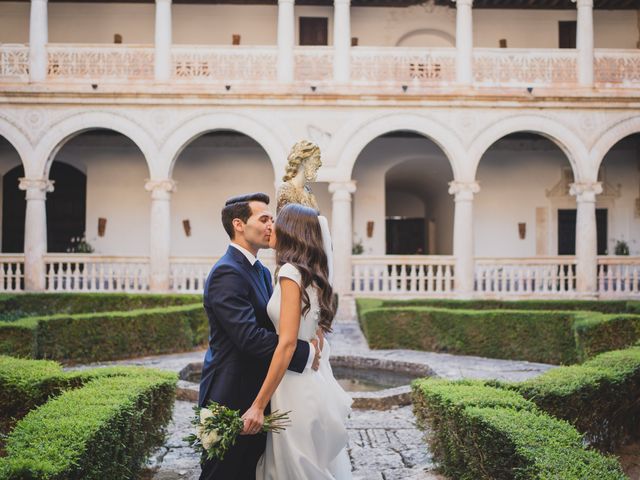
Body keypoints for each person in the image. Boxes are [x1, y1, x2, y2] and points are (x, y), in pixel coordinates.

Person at [198, 193, 321, 480]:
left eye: (272, 219)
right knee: (222, 472)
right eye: (263, 219)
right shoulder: (226, 272)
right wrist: (304, 352)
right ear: (238, 224)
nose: (271, 226)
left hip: (261, 392)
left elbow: (275, 326)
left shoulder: (263, 273)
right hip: (229, 394)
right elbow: (250, 337)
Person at [245, 203, 353, 479]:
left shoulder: (290, 274)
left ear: (290, 230)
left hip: (292, 387)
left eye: (277, 222)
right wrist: (314, 347)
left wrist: (258, 404)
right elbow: (315, 332)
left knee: (294, 466)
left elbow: (288, 343)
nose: (271, 226)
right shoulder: (311, 276)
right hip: (309, 382)